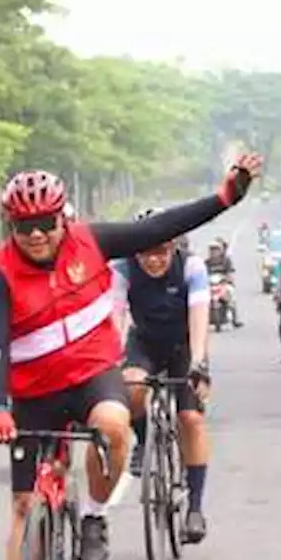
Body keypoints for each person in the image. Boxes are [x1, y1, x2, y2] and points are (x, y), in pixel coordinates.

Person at [0, 154, 262, 560]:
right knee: (23, 503)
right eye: (25, 226)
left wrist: (226, 197)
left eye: (47, 223)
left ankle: (92, 514)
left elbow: (164, 225)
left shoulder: (92, 241)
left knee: (115, 426)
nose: (38, 234)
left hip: (91, 374)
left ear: (63, 217)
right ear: (11, 226)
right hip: (32, 392)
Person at [111, 221, 214, 542]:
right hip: (144, 343)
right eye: (146, 253)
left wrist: (198, 363)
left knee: (191, 419)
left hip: (184, 345)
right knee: (132, 388)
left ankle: (195, 509)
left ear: (174, 248)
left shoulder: (192, 267)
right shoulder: (122, 269)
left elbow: (199, 315)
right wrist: (111, 360)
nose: (154, 260)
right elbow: (115, 317)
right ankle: (144, 441)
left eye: (161, 252)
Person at [205, 239, 243, 328]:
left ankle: (235, 320)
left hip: (223, 284)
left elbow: (230, 272)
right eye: (212, 249)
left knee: (231, 295)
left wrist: (228, 278)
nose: (214, 252)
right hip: (211, 285)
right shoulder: (206, 263)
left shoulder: (226, 261)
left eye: (216, 249)